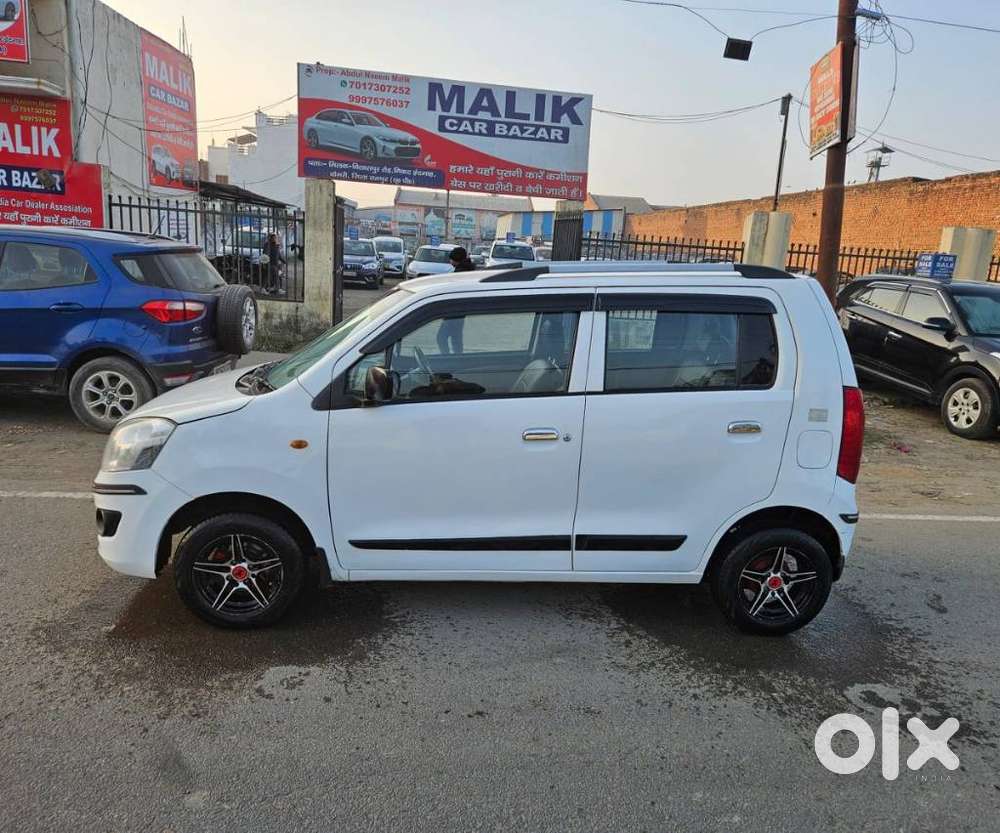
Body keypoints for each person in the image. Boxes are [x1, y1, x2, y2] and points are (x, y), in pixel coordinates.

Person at [436, 247, 475, 354]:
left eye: (451, 259)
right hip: (460, 311)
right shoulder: (467, 269)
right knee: (456, 339)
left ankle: (447, 359)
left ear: (456, 259)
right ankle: (457, 359)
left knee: (441, 337)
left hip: (454, 310)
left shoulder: (461, 272)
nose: (450, 261)